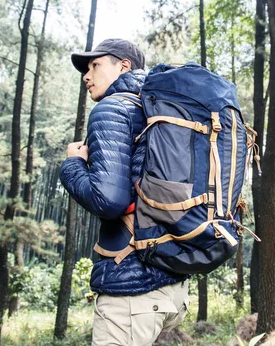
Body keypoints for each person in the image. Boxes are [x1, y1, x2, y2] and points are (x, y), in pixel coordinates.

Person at [60, 39, 189, 345]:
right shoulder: (158, 111)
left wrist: (72, 165)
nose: (86, 76)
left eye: (95, 65)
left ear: (124, 66)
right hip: (173, 287)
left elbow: (109, 201)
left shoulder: (112, 108)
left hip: (132, 289)